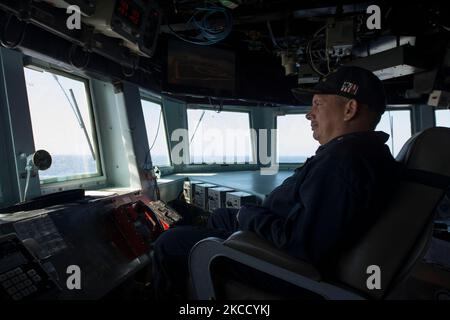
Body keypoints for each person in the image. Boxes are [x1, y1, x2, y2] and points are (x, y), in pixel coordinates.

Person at [150, 66, 401, 299]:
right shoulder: (358, 153)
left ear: (350, 109)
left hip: (291, 270)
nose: (308, 114)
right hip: (287, 240)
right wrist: (248, 215)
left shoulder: (344, 162)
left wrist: (249, 215)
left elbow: (301, 245)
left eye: (317, 104)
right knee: (222, 216)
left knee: (169, 243)